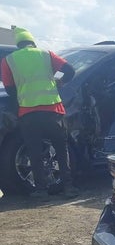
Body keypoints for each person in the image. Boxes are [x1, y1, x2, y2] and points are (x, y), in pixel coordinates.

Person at [0, 27, 78, 200]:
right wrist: (59, 82)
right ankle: (69, 187)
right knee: (60, 149)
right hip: (53, 111)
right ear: (32, 41)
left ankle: (41, 190)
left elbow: (10, 89)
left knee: (34, 151)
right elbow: (70, 71)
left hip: (28, 113)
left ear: (18, 44)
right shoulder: (46, 54)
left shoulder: (8, 60)